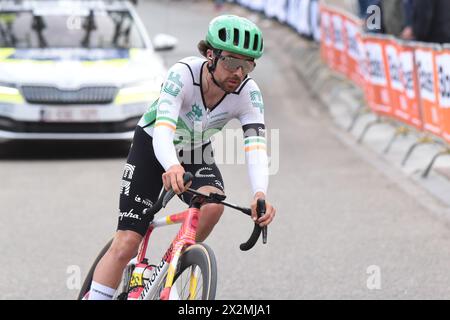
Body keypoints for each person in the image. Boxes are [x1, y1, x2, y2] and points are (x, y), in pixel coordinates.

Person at [88, 14, 277, 300]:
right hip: (153, 143)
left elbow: (256, 147)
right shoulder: (183, 74)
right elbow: (163, 130)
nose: (238, 72)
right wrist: (171, 165)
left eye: (247, 65)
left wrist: (260, 193)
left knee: (213, 205)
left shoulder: (248, 93)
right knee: (127, 241)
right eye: (231, 62)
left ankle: (166, 269)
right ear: (210, 55)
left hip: (195, 148)